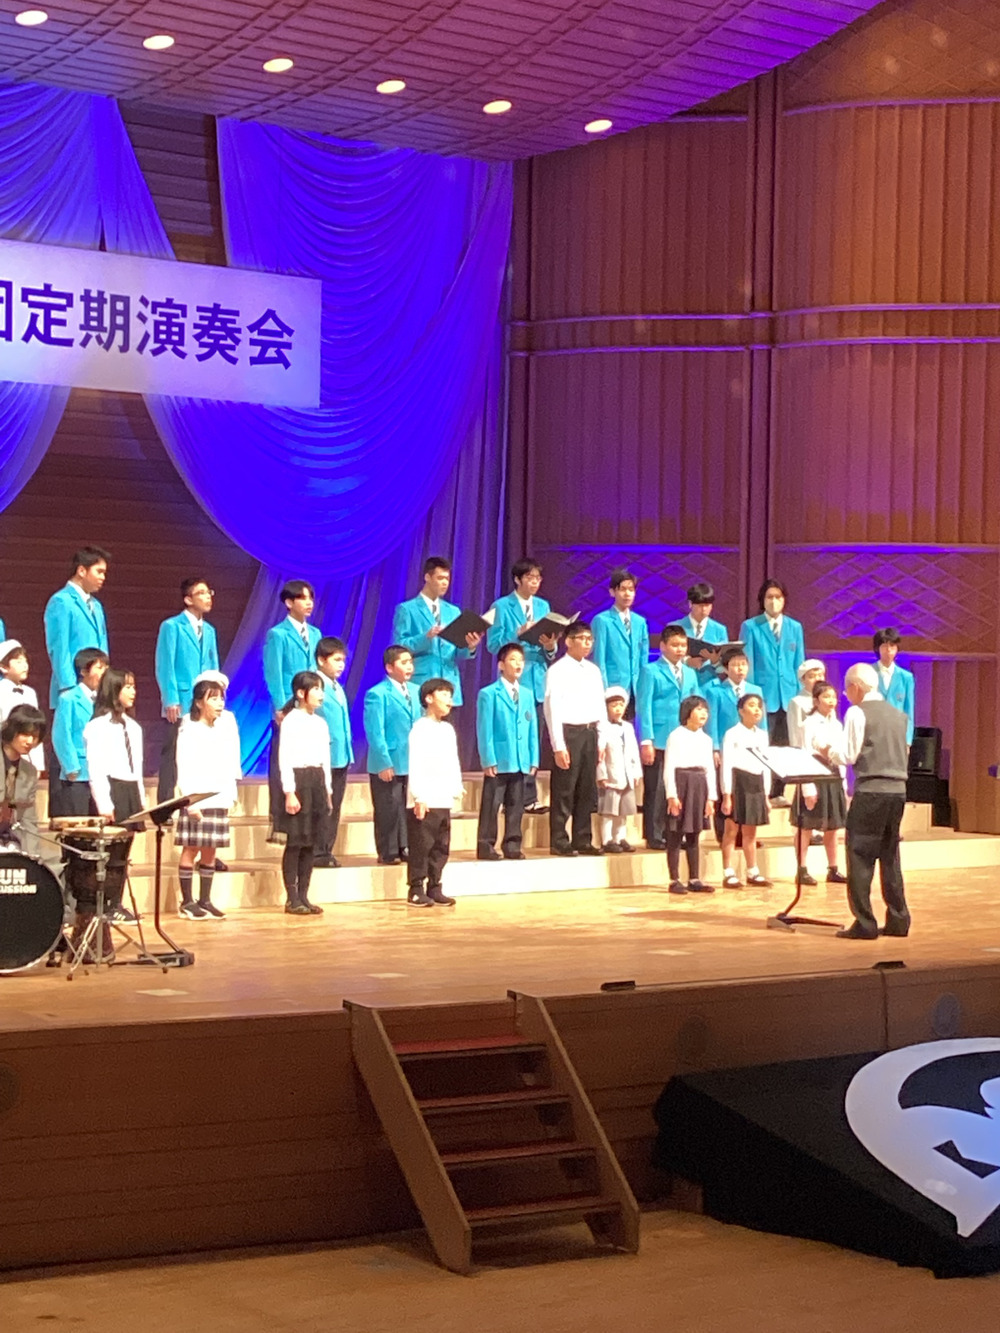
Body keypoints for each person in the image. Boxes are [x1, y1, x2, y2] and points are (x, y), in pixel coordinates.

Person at [816, 662, 911, 940]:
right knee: (890, 856)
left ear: (856, 687)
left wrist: (827, 751)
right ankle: (898, 920)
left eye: (847, 690)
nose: (847, 696)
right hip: (898, 791)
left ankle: (865, 923)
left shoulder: (858, 712)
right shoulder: (899, 715)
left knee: (860, 855)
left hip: (871, 790)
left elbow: (849, 754)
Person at [486, 557, 558, 813]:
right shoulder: (501, 606)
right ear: (517, 579)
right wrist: (517, 633)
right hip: (514, 679)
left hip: (538, 681)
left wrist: (551, 646)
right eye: (530, 578)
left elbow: (549, 651)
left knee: (531, 741)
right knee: (510, 738)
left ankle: (529, 797)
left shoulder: (543, 606)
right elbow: (493, 644)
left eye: (538, 578)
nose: (535, 582)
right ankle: (507, 798)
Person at [173, 674, 242, 920]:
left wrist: (232, 794)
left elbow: (230, 761)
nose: (219, 703)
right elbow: (183, 765)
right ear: (199, 702)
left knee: (211, 850)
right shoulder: (189, 728)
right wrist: (190, 801)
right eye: (213, 698)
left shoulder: (223, 726)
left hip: (219, 796)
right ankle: (187, 901)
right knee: (191, 847)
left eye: (221, 698)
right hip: (197, 798)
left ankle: (205, 899)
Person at [82, 667, 145, 931]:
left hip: (130, 790)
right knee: (108, 854)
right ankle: (104, 905)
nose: (133, 691)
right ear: (113, 689)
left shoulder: (134, 727)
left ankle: (116, 903)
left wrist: (141, 798)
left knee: (123, 853)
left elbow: (137, 767)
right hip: (110, 790)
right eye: (127, 686)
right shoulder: (97, 726)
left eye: (133, 686)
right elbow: (95, 768)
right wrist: (104, 803)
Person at [264, 580, 323, 836]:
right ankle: (280, 817)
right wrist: (280, 706)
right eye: (302, 598)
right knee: (283, 759)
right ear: (289, 603)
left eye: (311, 598)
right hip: (288, 705)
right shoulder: (278, 634)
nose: (309, 603)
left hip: (309, 706)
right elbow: (273, 672)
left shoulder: (316, 633)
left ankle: (308, 812)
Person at [155, 577, 220, 804]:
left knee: (199, 753)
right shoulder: (172, 626)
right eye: (201, 593)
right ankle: (165, 806)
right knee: (173, 754)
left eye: (209, 592)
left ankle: (197, 801)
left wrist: (216, 697)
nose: (207, 596)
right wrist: (170, 699)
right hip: (181, 699)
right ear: (188, 599)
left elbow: (213, 666)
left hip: (204, 701)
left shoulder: (209, 630)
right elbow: (165, 665)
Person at [543, 621, 605, 857]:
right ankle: (559, 839)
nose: (587, 643)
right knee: (564, 788)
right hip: (569, 732)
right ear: (568, 641)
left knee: (586, 788)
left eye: (590, 639)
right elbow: (552, 709)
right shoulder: (557, 670)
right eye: (582, 638)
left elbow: (600, 706)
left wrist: (602, 740)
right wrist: (558, 745)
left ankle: (583, 838)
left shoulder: (593, 670)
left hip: (590, 732)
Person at [272, 670, 331, 917]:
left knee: (310, 843)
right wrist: (289, 792)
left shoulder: (320, 723)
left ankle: (305, 895)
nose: (320, 694)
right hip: (298, 781)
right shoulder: (291, 721)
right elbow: (284, 758)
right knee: (296, 842)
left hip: (316, 781)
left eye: (321, 689)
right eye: (315, 689)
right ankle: (292, 897)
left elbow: (325, 758)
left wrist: (328, 790)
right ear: (300, 693)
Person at [740, 579, 805, 800]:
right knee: (762, 744)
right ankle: (761, 792)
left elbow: (799, 664)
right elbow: (747, 663)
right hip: (763, 696)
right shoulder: (751, 626)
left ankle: (779, 791)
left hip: (788, 696)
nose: (774, 601)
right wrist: (751, 697)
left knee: (784, 745)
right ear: (762, 600)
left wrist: (800, 696)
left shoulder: (795, 627)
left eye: (778, 597)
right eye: (769, 597)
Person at [636, 625, 698, 850]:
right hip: (660, 737)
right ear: (663, 646)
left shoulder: (690, 673)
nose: (680, 649)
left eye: (683, 645)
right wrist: (646, 740)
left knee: (679, 787)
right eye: (674, 645)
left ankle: (674, 832)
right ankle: (654, 834)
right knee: (657, 788)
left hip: (683, 738)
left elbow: (696, 704)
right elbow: (644, 707)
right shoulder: (650, 671)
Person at [392, 556, 483, 709]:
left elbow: (457, 652)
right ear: (427, 577)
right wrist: (425, 637)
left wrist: (470, 646)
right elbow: (399, 647)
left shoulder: (453, 611)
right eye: (440, 578)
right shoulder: (407, 609)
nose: (445, 583)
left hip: (449, 686)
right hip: (422, 683)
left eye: (447, 578)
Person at [476, 643, 538, 861]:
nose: (518, 664)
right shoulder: (489, 694)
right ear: (501, 665)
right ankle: (486, 845)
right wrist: (488, 758)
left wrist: (534, 757)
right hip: (499, 759)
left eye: (521, 660)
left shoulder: (527, 694)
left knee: (516, 805)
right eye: (513, 659)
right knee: (492, 804)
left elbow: (532, 729)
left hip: (521, 758)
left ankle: (512, 844)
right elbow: (484, 729)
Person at [406, 678, 464, 907]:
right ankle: (416, 888)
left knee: (440, 846)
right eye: (444, 695)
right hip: (425, 798)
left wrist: (456, 786)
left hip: (443, 797)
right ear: (429, 698)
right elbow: (416, 762)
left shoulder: (448, 729)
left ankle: (435, 886)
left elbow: (453, 760)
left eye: (450, 695)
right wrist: (418, 796)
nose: (449, 700)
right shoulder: (420, 728)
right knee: (422, 844)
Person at [363, 646, 421, 865]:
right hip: (389, 759)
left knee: (406, 806)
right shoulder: (377, 694)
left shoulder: (416, 691)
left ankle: (405, 846)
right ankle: (388, 850)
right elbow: (375, 731)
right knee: (388, 807)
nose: (409, 666)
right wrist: (383, 762)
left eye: (410, 662)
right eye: (403, 663)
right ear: (389, 667)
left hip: (411, 759)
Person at [791, 680, 848, 887]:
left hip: (833, 776)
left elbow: (840, 754)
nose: (831, 701)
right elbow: (805, 753)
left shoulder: (838, 724)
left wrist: (844, 783)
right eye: (826, 697)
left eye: (833, 697)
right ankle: (801, 869)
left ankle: (833, 868)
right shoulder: (808, 724)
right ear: (816, 701)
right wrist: (808, 787)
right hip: (814, 774)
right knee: (806, 825)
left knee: (832, 825)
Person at [44, 545, 110, 708]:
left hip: (97, 689)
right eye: (99, 572)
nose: (102, 577)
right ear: (81, 571)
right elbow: (59, 647)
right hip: (74, 686)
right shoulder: (62, 601)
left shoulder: (96, 605)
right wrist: (68, 687)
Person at [664, 695, 717, 894]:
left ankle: (694, 878)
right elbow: (669, 767)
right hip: (681, 783)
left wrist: (711, 797)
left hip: (699, 784)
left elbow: (710, 769)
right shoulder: (676, 735)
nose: (704, 713)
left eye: (705, 710)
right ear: (687, 712)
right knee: (676, 834)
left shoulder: (706, 739)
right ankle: (674, 879)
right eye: (699, 709)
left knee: (695, 833)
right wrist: (672, 795)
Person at [719, 691, 772, 888]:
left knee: (751, 831)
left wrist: (766, 795)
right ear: (741, 711)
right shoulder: (732, 734)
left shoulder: (762, 735)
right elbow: (727, 764)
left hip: (756, 783)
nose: (756, 709)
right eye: (751, 705)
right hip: (738, 782)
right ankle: (728, 871)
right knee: (731, 830)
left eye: (759, 706)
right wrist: (727, 794)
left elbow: (766, 765)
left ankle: (752, 871)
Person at [50, 647, 108, 817]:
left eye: (106, 667)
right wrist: (71, 767)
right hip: (78, 772)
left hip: (101, 771)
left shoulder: (105, 700)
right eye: (99, 667)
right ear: (83, 671)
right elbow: (61, 735)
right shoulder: (68, 698)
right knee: (78, 821)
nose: (104, 672)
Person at [314, 636, 353, 869]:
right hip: (323, 755)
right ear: (321, 660)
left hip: (340, 754)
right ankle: (317, 850)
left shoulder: (337, 686)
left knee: (335, 805)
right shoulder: (314, 685)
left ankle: (327, 849)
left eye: (343, 660)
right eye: (336, 660)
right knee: (322, 805)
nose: (341, 665)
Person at [591, 569, 649, 708]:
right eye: (622, 589)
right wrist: (604, 690)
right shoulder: (602, 620)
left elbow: (643, 658)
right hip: (613, 689)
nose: (627, 594)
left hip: (636, 690)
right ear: (612, 592)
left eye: (631, 589)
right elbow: (599, 659)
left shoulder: (640, 622)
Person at [596, 685, 642, 853]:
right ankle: (607, 839)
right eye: (614, 705)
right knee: (609, 810)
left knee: (623, 811)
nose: (618, 709)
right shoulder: (602, 727)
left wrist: (636, 772)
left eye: (621, 705)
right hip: (611, 776)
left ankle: (619, 837)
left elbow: (634, 751)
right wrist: (601, 774)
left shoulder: (628, 728)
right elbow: (600, 754)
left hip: (626, 775)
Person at [0, 704, 48, 860]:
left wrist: (33, 857)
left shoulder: (30, 771)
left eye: (35, 736)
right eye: (25, 734)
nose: (30, 741)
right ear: (12, 730)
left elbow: (29, 820)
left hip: (12, 840)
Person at [0, 640, 43, 771]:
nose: (25, 666)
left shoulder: (30, 693)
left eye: (25, 661)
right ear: (3, 667)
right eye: (19, 662)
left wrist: (37, 764)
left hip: (27, 758)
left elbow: (35, 727)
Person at [681, 582, 729, 687]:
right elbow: (667, 657)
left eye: (707, 605)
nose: (703, 610)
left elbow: (725, 665)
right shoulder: (676, 627)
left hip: (710, 685)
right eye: (700, 605)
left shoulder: (720, 630)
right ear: (690, 604)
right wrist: (687, 661)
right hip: (684, 684)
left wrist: (715, 661)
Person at [873, 628, 915, 744]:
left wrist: (907, 741)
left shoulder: (906, 677)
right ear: (877, 648)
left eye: (892, 646)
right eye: (884, 646)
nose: (888, 650)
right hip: (873, 734)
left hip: (897, 735)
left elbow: (908, 711)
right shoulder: (868, 672)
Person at [786, 658, 826, 748]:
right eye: (811, 676)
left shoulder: (828, 699)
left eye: (820, 675)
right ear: (802, 680)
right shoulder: (796, 702)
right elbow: (794, 732)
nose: (817, 679)